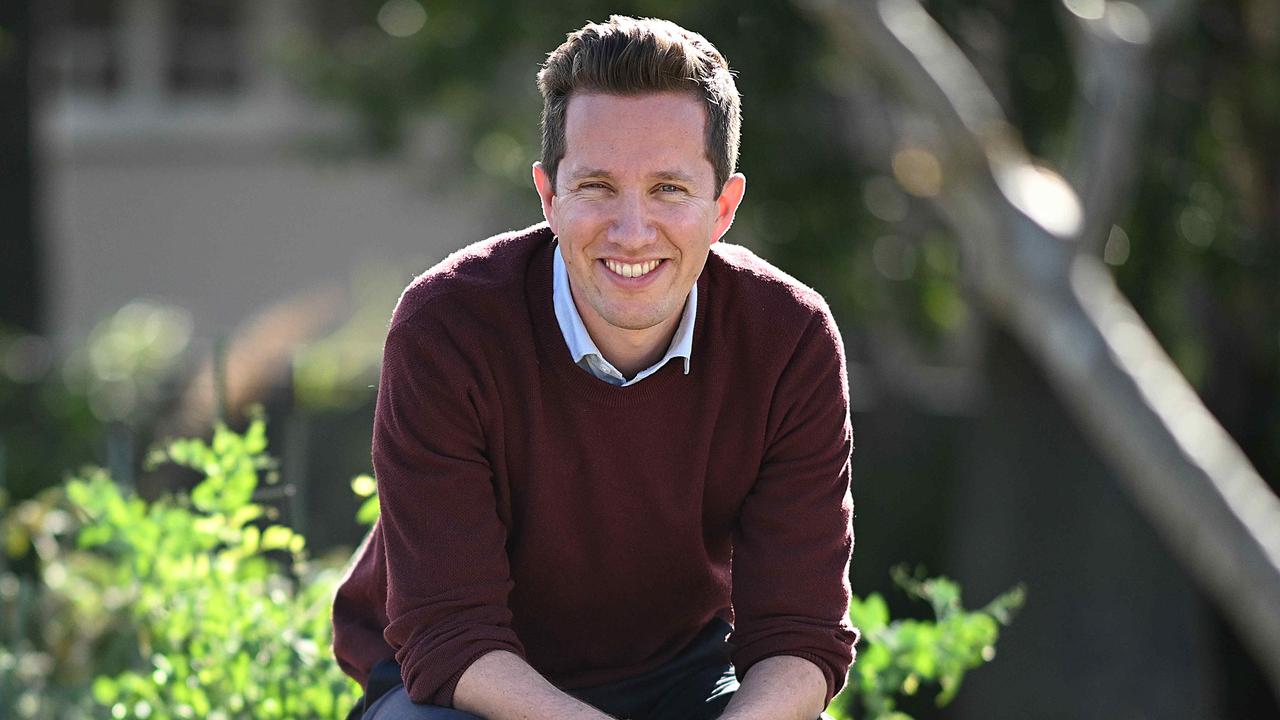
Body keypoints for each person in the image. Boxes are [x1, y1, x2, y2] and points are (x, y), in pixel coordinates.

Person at [332, 15, 857, 720]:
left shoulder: (788, 339)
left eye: (669, 189)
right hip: (465, 687)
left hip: (683, 673)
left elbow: (799, 634)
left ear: (723, 206)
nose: (632, 231)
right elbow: (450, 633)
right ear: (549, 196)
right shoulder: (446, 328)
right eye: (598, 186)